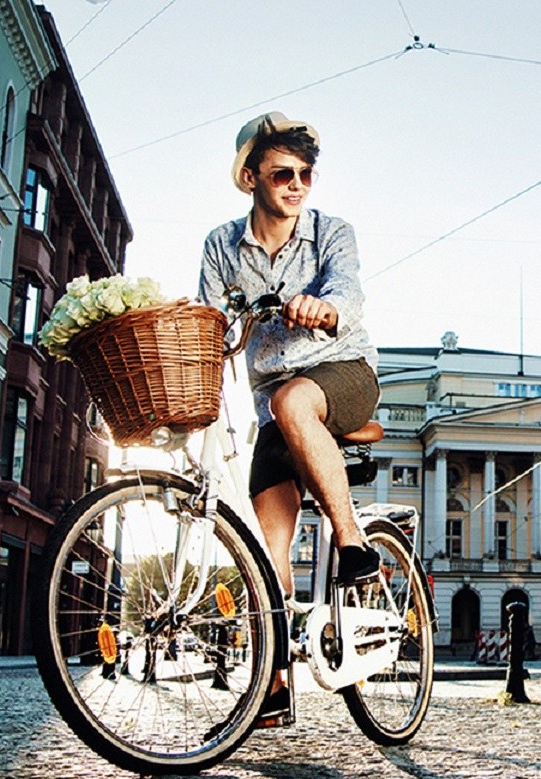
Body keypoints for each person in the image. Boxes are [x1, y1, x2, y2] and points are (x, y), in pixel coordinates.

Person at [199, 112, 381, 727]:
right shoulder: (221, 248)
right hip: (273, 399)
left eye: (305, 174)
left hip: (344, 372)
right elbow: (207, 324)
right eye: (282, 174)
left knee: (293, 401)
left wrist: (322, 308)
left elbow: (348, 293)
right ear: (250, 177)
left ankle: (353, 543)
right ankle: (274, 684)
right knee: (266, 544)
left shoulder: (332, 232)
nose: (297, 184)